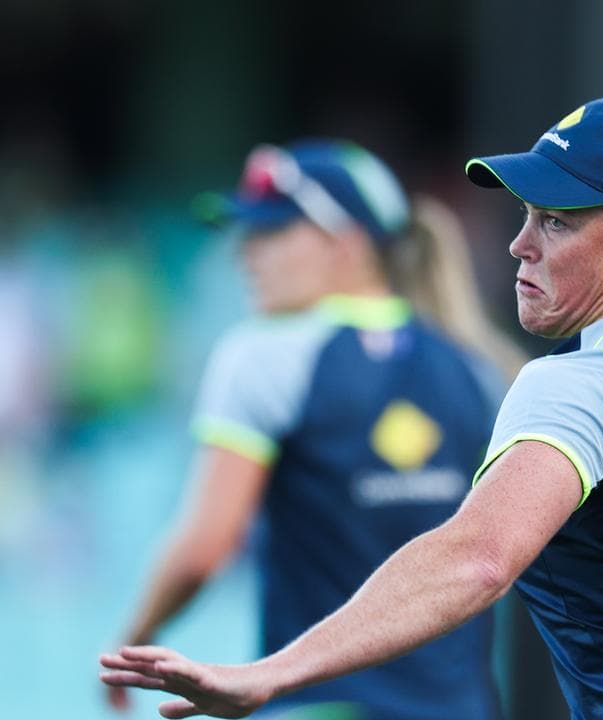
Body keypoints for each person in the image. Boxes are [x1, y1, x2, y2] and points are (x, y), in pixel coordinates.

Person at [101, 23, 603, 720]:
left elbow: (476, 559)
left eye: (557, 222)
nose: (519, 245)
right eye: (528, 214)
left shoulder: (585, 383)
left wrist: (271, 674)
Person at [105, 138, 523, 720]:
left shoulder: (263, 355)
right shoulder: (476, 366)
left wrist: (135, 636)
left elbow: (204, 549)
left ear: (345, 242)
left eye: (273, 230)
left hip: (318, 706)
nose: (245, 252)